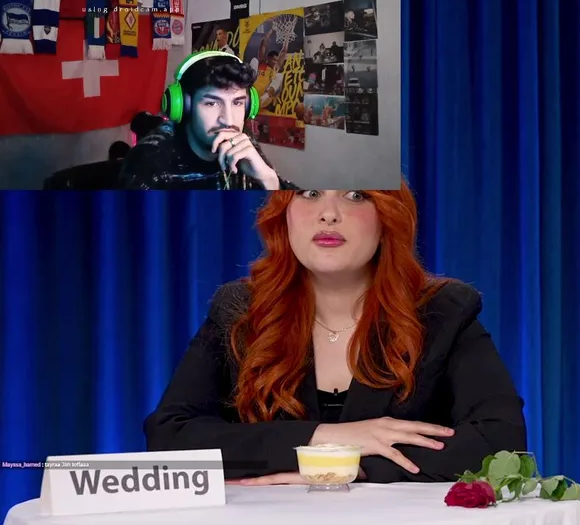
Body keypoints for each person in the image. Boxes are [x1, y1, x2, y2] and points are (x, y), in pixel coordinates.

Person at [143, 185, 528, 484]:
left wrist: (346, 469)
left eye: (356, 195)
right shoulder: (239, 311)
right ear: (284, 214)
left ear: (387, 216)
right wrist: (324, 439)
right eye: (309, 193)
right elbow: (170, 437)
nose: (328, 214)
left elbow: (501, 443)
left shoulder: (443, 312)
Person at [119, 52, 289, 190]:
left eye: (237, 103)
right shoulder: (149, 161)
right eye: (212, 103)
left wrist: (269, 180)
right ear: (184, 107)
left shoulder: (241, 140)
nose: (228, 120)